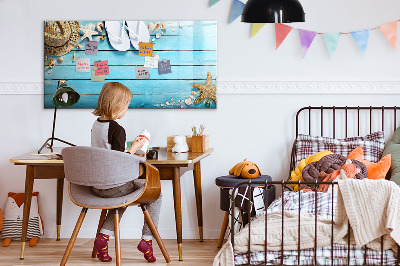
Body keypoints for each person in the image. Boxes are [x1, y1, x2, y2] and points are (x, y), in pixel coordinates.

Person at [91, 82, 161, 263]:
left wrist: (131, 149)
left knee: (121, 197)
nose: (127, 109)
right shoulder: (117, 129)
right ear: (117, 105)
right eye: (127, 105)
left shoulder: (96, 125)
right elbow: (119, 161)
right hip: (114, 186)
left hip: (97, 186)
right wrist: (136, 148)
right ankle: (147, 240)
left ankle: (103, 238)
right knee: (156, 194)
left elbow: (108, 154)